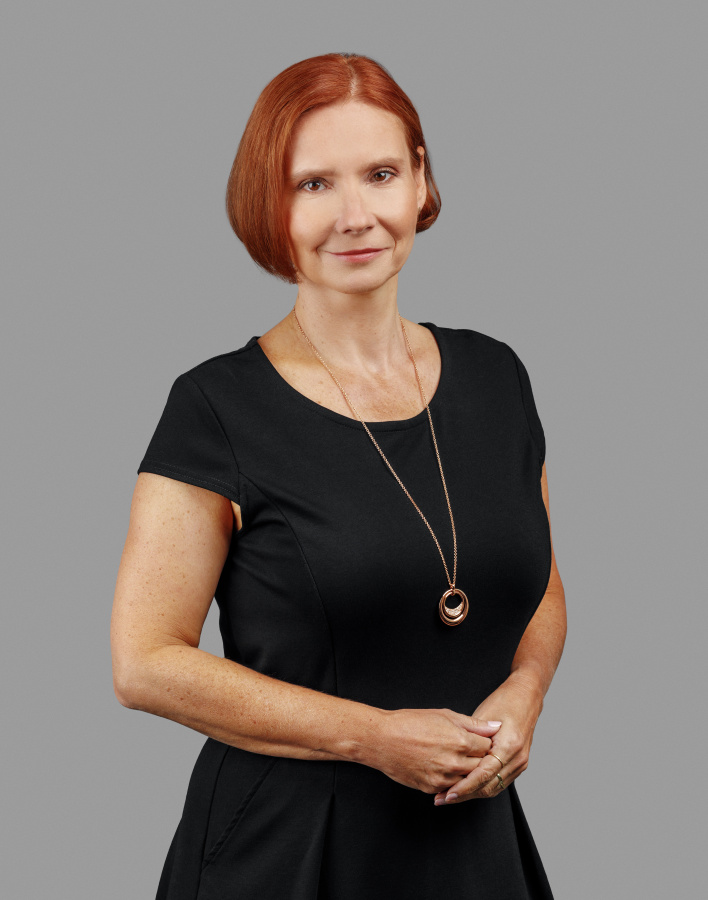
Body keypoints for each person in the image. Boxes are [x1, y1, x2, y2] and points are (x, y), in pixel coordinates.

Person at [111, 52, 566, 900]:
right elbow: (145, 662)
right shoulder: (215, 407)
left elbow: (538, 585)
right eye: (313, 184)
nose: (356, 216)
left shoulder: (498, 376)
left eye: (380, 174)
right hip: (288, 853)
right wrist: (373, 737)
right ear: (270, 204)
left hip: (473, 847)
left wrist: (527, 691)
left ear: (420, 181)